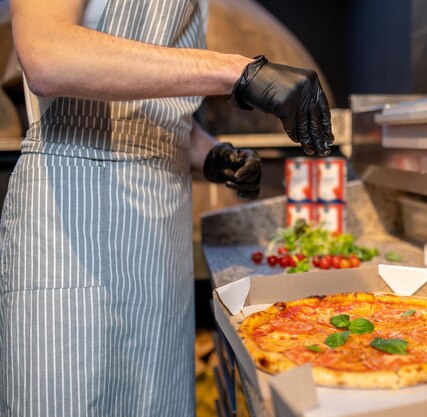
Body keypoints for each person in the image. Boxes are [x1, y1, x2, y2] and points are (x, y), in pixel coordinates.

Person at [0, 0, 333, 416]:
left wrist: (211, 154)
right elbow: (47, 54)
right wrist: (240, 72)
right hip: (76, 221)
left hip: (163, 233)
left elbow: (148, 103)